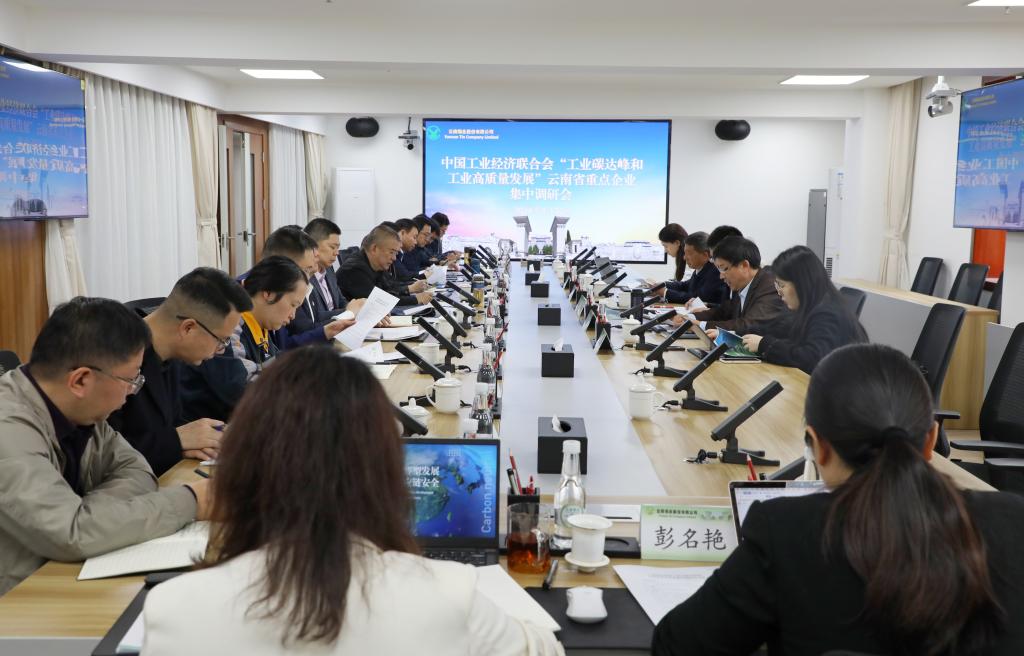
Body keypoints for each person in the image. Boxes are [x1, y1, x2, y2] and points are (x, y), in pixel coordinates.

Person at [141, 347, 563, 656]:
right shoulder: (449, 595)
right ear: (384, 471)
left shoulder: (173, 608)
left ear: (242, 462)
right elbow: (544, 648)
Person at [652, 343, 1024, 656]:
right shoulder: (1013, 520)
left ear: (817, 447)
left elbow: (676, 646)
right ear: (931, 441)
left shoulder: (785, 531)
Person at [0, 297, 209, 595]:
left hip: (59, 577)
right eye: (131, 379)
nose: (132, 392)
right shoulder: (8, 428)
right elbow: (72, 533)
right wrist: (192, 500)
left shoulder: (80, 412)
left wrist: (90, 518)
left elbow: (137, 469)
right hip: (18, 602)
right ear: (80, 381)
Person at [107, 268, 252, 476]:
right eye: (221, 340)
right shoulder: (114, 357)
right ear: (188, 328)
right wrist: (176, 441)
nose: (220, 351)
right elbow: (100, 457)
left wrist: (204, 437)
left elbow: (169, 427)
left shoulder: (173, 354)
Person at [180, 256, 338, 421]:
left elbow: (273, 365)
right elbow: (245, 389)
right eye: (293, 305)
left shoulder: (261, 326)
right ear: (268, 293)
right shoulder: (228, 327)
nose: (293, 315)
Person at [740, 246, 868, 374]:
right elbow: (780, 330)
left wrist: (764, 345)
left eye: (782, 285)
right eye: (777, 285)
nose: (779, 292)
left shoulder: (827, 313)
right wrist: (742, 334)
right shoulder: (809, 306)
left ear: (801, 283)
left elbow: (811, 358)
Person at [262, 226, 355, 347]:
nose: (308, 279)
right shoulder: (266, 294)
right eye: (306, 270)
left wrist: (330, 329)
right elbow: (288, 343)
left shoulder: (296, 285)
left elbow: (282, 346)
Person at [687, 236, 787, 335]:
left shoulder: (771, 285)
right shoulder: (743, 284)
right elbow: (723, 312)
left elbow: (750, 325)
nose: (721, 276)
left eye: (724, 268)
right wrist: (690, 318)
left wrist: (700, 325)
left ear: (744, 265)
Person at [337, 225, 433, 307]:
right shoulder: (355, 269)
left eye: (396, 253)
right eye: (391, 252)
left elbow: (390, 287)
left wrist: (410, 290)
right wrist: (415, 299)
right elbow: (379, 302)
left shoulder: (377, 264)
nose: (394, 258)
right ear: (374, 248)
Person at [303, 218, 364, 320]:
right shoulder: (304, 276)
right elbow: (314, 318)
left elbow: (340, 301)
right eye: (332, 247)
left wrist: (359, 308)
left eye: (337, 248)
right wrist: (348, 311)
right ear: (313, 245)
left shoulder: (329, 269)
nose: (337, 253)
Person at [658, 231, 728, 306]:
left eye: (689, 253)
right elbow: (684, 285)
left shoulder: (715, 272)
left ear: (705, 255)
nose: (684, 258)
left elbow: (698, 298)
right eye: (685, 253)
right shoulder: (701, 268)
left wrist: (665, 292)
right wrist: (662, 285)